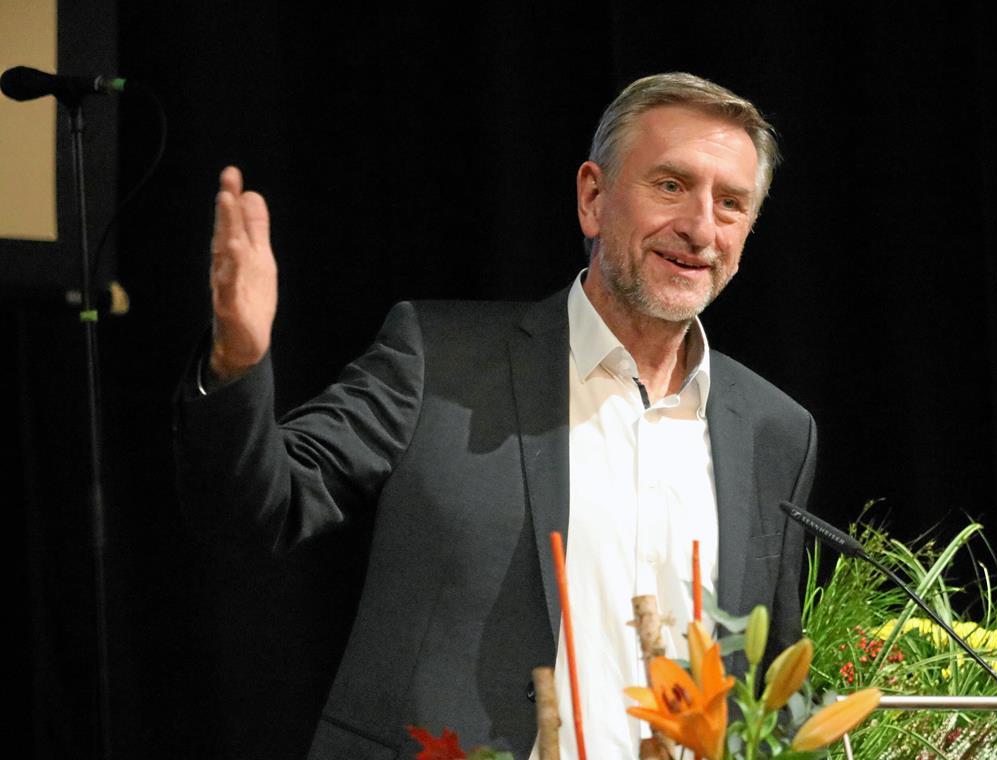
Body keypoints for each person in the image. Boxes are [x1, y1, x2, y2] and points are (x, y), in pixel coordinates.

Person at [174, 72, 816, 760]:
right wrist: (238, 361)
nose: (699, 226)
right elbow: (263, 505)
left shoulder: (776, 431)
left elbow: (768, 686)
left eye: (731, 203)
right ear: (593, 199)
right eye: (670, 186)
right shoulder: (440, 360)